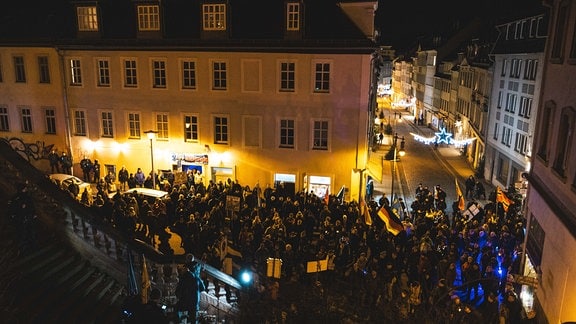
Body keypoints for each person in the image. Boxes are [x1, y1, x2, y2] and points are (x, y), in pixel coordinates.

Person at [176, 260, 207, 324]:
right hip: (195, 304)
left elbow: (177, 292)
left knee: (176, 309)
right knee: (194, 320)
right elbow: (203, 288)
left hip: (185, 303)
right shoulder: (197, 278)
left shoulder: (183, 278)